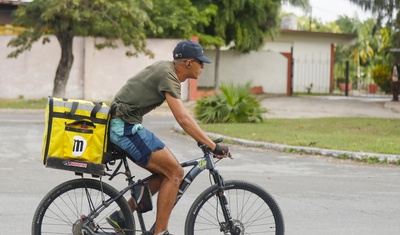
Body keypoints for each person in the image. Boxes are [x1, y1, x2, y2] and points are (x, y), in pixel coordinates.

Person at [106, 40, 231, 235]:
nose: (203, 66)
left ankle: (121, 216)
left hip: (124, 126)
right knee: (175, 173)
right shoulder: (168, 75)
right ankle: (161, 232)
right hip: (124, 129)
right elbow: (183, 118)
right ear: (189, 63)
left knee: (165, 171)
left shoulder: (166, 70)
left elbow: (184, 118)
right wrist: (211, 145)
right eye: (201, 62)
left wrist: (205, 141)